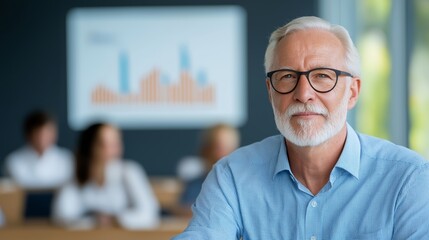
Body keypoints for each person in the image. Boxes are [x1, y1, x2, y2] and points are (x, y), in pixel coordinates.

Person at [173, 16, 429, 239]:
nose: (304, 93)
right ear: (270, 92)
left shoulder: (409, 179)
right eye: (287, 76)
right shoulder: (232, 176)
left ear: (352, 92)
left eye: (322, 76)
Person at [52, 123, 160, 229]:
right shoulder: (74, 177)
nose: (115, 149)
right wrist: (95, 221)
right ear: (90, 147)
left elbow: (150, 214)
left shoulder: (129, 171)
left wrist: (115, 219)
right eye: (105, 144)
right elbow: (61, 217)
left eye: (116, 143)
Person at [176, 123, 240, 216]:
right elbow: (184, 210)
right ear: (206, 151)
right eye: (219, 148)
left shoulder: (243, 185)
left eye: (229, 148)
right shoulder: (195, 186)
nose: (224, 155)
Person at [4, 110, 73, 190]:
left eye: (48, 132)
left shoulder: (67, 159)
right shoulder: (13, 161)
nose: (43, 138)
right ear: (29, 134)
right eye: (38, 133)